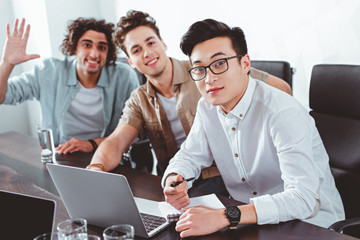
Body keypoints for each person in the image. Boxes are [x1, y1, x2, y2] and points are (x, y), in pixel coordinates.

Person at [161, 19, 344, 238]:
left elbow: (303, 198)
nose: (209, 78)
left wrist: (224, 216)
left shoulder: (282, 112)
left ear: (245, 64)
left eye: (219, 63)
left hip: (312, 225)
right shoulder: (207, 108)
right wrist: (175, 178)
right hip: (253, 222)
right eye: (200, 69)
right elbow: (190, 155)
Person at [87, 10, 291, 186]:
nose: (147, 52)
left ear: (163, 43)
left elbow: (281, 88)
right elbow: (116, 141)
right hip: (176, 180)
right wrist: (96, 169)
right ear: (130, 61)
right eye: (137, 50)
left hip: (223, 177)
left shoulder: (204, 71)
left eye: (151, 42)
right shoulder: (139, 99)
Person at [0, 18, 139, 154]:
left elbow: (136, 130)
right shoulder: (50, 71)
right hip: (60, 155)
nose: (94, 54)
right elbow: (3, 97)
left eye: (102, 47)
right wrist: (7, 63)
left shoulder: (124, 76)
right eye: (87, 45)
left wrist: (91, 144)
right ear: (74, 47)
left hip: (104, 155)